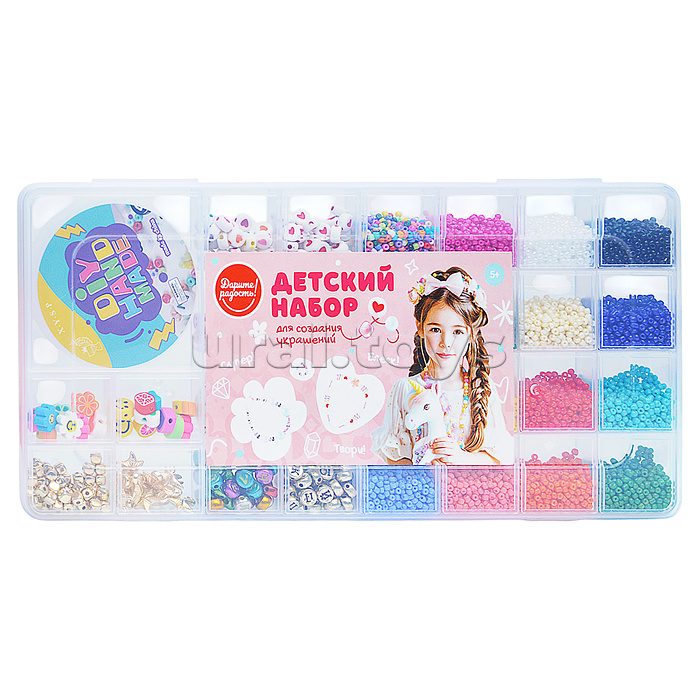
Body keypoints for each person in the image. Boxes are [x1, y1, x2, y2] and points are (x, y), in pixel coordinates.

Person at [371, 266, 513, 465]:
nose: (446, 343)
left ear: (471, 333)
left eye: (457, 332)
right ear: (420, 328)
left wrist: (463, 459)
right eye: (436, 329)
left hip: (468, 485)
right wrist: (421, 470)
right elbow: (394, 456)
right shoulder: (404, 389)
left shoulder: (482, 389)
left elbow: (498, 457)